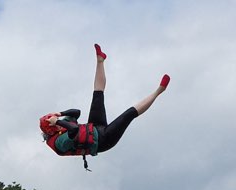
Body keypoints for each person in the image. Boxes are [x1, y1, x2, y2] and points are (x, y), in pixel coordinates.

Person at [40, 44, 169, 170]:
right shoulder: (59, 143)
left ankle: (100, 60)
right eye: (55, 125)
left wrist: (59, 114)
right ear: (52, 130)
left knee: (97, 94)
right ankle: (159, 90)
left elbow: (76, 113)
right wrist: (57, 121)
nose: (58, 124)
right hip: (103, 141)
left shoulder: (60, 125)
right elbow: (74, 130)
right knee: (128, 115)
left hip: (95, 126)